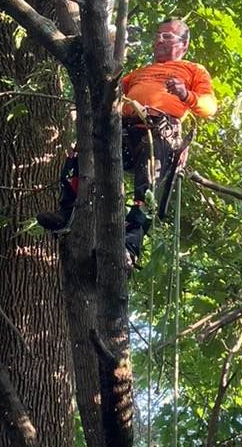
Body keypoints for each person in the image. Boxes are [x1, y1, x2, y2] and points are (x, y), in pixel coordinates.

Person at [38, 19, 217, 264]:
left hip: (158, 131)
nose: (159, 40)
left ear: (183, 45)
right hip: (122, 128)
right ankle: (67, 211)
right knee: (80, 155)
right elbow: (105, 92)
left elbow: (209, 107)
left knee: (147, 185)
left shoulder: (193, 70)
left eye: (167, 37)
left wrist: (185, 94)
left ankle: (129, 246)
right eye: (158, 35)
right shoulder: (139, 73)